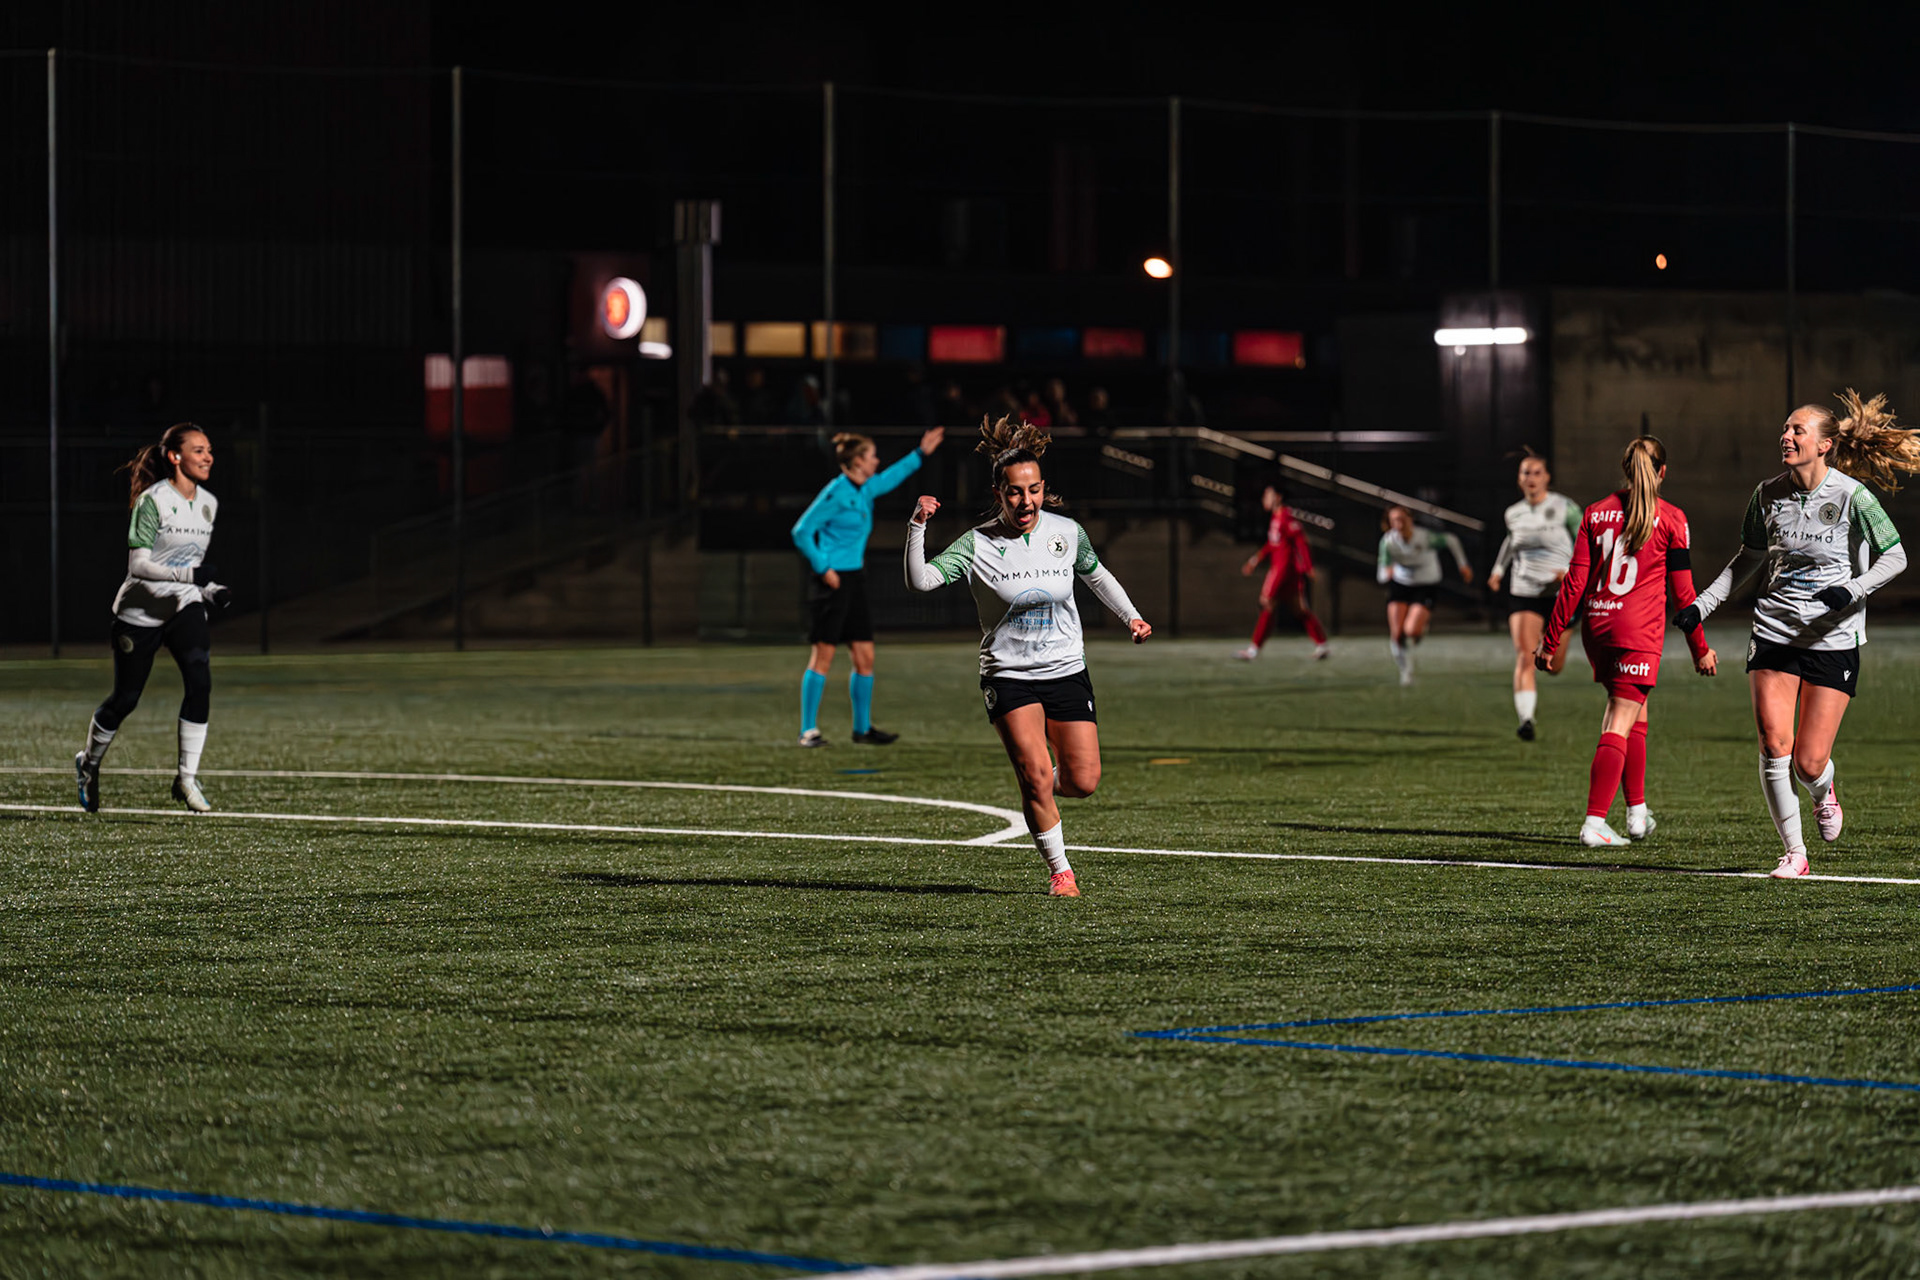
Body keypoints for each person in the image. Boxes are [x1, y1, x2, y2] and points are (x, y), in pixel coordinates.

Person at [904, 416, 1152, 897]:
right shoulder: (977, 544)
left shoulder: (1066, 532)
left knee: (1082, 781)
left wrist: (1132, 618)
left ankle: (1037, 785)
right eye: (1016, 492)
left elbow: (1096, 575)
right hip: (1010, 676)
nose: (1027, 501)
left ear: (1044, 489)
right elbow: (921, 581)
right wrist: (917, 526)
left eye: (1034, 490)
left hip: (1066, 670)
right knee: (1036, 774)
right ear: (999, 493)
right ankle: (1061, 871)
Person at [1679, 392, 1916, 878]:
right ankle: (1794, 853)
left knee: (1808, 763)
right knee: (1773, 745)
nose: (1785, 437)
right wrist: (1703, 604)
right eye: (1785, 430)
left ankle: (1824, 792)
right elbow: (1748, 557)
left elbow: (1896, 556)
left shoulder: (1853, 496)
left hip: (1832, 638)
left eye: (1797, 431)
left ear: (1825, 445)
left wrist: (1851, 589)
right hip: (1774, 632)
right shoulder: (1766, 494)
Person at [1536, 436, 1717, 848]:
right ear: (1663, 472)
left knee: (1631, 711)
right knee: (1622, 717)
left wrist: (1551, 640)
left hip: (1597, 629)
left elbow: (1575, 584)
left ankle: (1637, 813)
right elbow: (1684, 595)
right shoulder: (1671, 518)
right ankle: (1595, 823)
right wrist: (1700, 648)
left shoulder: (1595, 512)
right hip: (1637, 632)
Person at [74, 423, 231, 814]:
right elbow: (140, 565)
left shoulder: (209, 503)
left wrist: (208, 591)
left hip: (182, 606)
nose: (208, 456)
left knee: (200, 682)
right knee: (125, 699)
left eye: (209, 449)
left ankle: (186, 779)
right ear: (175, 457)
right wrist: (190, 578)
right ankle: (88, 765)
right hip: (139, 612)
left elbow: (189, 568)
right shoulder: (153, 501)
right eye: (198, 450)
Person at [790, 427, 945, 746]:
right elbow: (802, 531)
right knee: (823, 656)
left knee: (865, 657)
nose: (877, 461)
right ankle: (808, 731)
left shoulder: (863, 489)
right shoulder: (836, 493)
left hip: (855, 579)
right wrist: (823, 567)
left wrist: (921, 453)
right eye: (872, 456)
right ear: (859, 461)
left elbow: (891, 477)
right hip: (832, 581)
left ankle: (862, 729)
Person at [1486, 449, 1581, 740]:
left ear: (1547, 478)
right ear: (1519, 479)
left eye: (1537, 472)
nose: (1531, 478)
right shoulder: (1513, 513)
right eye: (1526, 472)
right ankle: (1526, 719)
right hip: (1524, 590)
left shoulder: (1566, 507)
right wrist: (1498, 571)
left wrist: (1574, 574)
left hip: (1559, 594)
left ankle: (1550, 641)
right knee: (1525, 658)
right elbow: (1511, 543)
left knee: (1553, 666)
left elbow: (1587, 544)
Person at [1375, 506, 1472, 685]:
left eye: (1402, 518)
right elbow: (1381, 574)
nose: (1399, 523)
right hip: (1401, 585)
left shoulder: (1425, 538)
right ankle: (1406, 670)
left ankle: (1421, 626)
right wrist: (1387, 573)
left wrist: (1463, 564)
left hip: (1426, 584)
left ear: (1410, 520)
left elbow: (1451, 540)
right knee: (1396, 634)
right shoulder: (1388, 542)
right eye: (1395, 520)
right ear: (1389, 523)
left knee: (1411, 631)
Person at [1235, 482, 1329, 661]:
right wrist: (1255, 560)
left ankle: (1254, 650)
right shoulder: (1276, 518)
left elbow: (1301, 541)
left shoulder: (1286, 517)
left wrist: (1309, 566)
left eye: (1267, 494)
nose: (1264, 498)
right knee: (1300, 609)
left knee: (1267, 603)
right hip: (1287, 571)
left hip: (1283, 569)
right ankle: (1322, 645)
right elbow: (1272, 544)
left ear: (1277, 497)